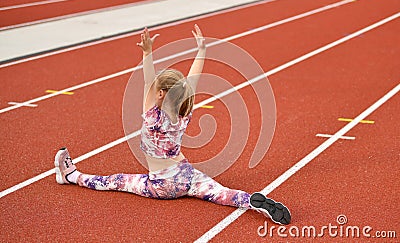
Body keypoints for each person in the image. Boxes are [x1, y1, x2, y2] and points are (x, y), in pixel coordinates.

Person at [54, 25, 291, 225]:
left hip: (161, 185)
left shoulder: (152, 117)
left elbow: (148, 80)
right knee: (220, 193)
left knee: (114, 181)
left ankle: (71, 176)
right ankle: (248, 200)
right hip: (188, 176)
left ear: (160, 94)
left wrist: (147, 52)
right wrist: (202, 51)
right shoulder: (184, 113)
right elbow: (191, 82)